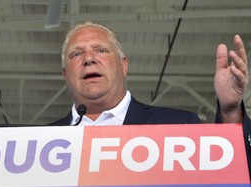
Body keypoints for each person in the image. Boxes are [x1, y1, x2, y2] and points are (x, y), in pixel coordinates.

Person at [49, 21, 251, 177]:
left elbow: (227, 183)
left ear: (124, 66)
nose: (88, 59)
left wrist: (230, 111)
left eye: (101, 50)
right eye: (76, 54)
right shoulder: (39, 142)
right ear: (65, 74)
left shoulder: (180, 126)